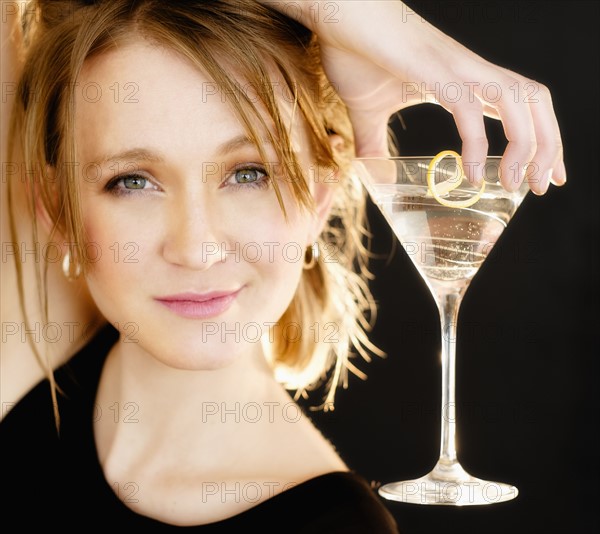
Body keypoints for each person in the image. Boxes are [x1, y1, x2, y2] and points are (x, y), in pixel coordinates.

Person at [0, 0, 565, 530]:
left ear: (321, 192)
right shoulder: (29, 341)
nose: (197, 249)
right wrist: (351, 13)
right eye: (132, 181)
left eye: (248, 173)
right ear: (57, 209)